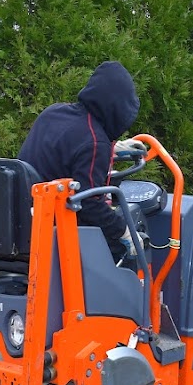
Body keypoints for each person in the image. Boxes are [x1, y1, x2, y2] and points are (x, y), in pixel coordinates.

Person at [18, 61, 143, 262]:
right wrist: (124, 232)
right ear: (117, 109)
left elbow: (61, 152)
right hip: (55, 231)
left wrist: (112, 149)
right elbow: (90, 203)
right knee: (126, 247)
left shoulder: (54, 112)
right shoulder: (95, 142)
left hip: (24, 218)